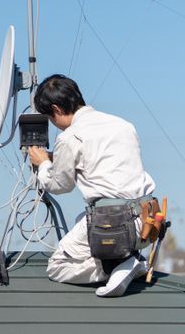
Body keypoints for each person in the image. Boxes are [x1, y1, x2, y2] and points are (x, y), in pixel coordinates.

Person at [27, 74, 156, 297]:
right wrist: (56, 158)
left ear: (56, 109)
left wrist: (44, 164)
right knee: (81, 219)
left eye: (50, 117)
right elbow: (105, 165)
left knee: (57, 266)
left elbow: (59, 185)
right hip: (147, 221)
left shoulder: (71, 137)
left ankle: (118, 266)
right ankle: (127, 260)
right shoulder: (122, 125)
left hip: (114, 223)